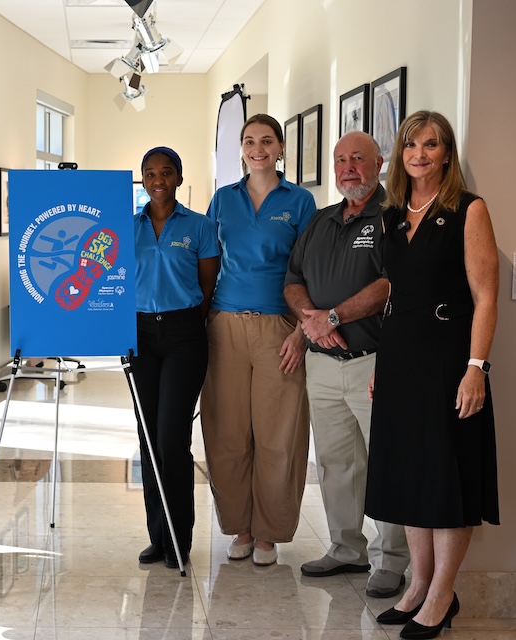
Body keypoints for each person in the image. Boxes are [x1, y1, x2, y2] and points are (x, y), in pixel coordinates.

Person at [365, 111, 499, 639]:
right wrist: (382, 364)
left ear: (446, 153)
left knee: (447, 477)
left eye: (430, 144)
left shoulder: (469, 210)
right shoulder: (394, 213)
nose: (418, 153)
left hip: (449, 360)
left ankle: (443, 593)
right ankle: (418, 585)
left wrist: (476, 369)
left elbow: (486, 297)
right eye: (410, 144)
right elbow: (394, 295)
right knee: (411, 475)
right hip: (399, 358)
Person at [284, 131, 409, 598]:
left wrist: (333, 316)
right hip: (322, 363)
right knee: (337, 462)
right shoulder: (319, 222)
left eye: (358, 158)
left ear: (379, 163)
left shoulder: (392, 217)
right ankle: (345, 547)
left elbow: (390, 283)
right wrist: (312, 323)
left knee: (385, 462)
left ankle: (392, 558)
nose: (347, 167)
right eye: (340, 159)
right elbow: (293, 280)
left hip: (374, 362)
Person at [202, 113, 316, 566]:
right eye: (249, 141)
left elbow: (312, 271)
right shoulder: (223, 200)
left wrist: (304, 334)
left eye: (267, 141)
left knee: (277, 435)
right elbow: (207, 262)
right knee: (228, 433)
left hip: (279, 330)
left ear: (281, 147)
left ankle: (269, 532)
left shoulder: (300, 201)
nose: (257, 149)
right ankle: (241, 527)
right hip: (225, 325)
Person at [132, 146, 219, 569]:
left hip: (185, 334)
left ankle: (179, 538)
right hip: (139, 336)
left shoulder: (200, 226)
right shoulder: (125, 227)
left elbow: (206, 287)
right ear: (142, 180)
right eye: (150, 173)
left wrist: (181, 320)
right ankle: (157, 535)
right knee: (149, 438)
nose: (158, 179)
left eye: (166, 172)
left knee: (172, 437)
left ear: (179, 178)